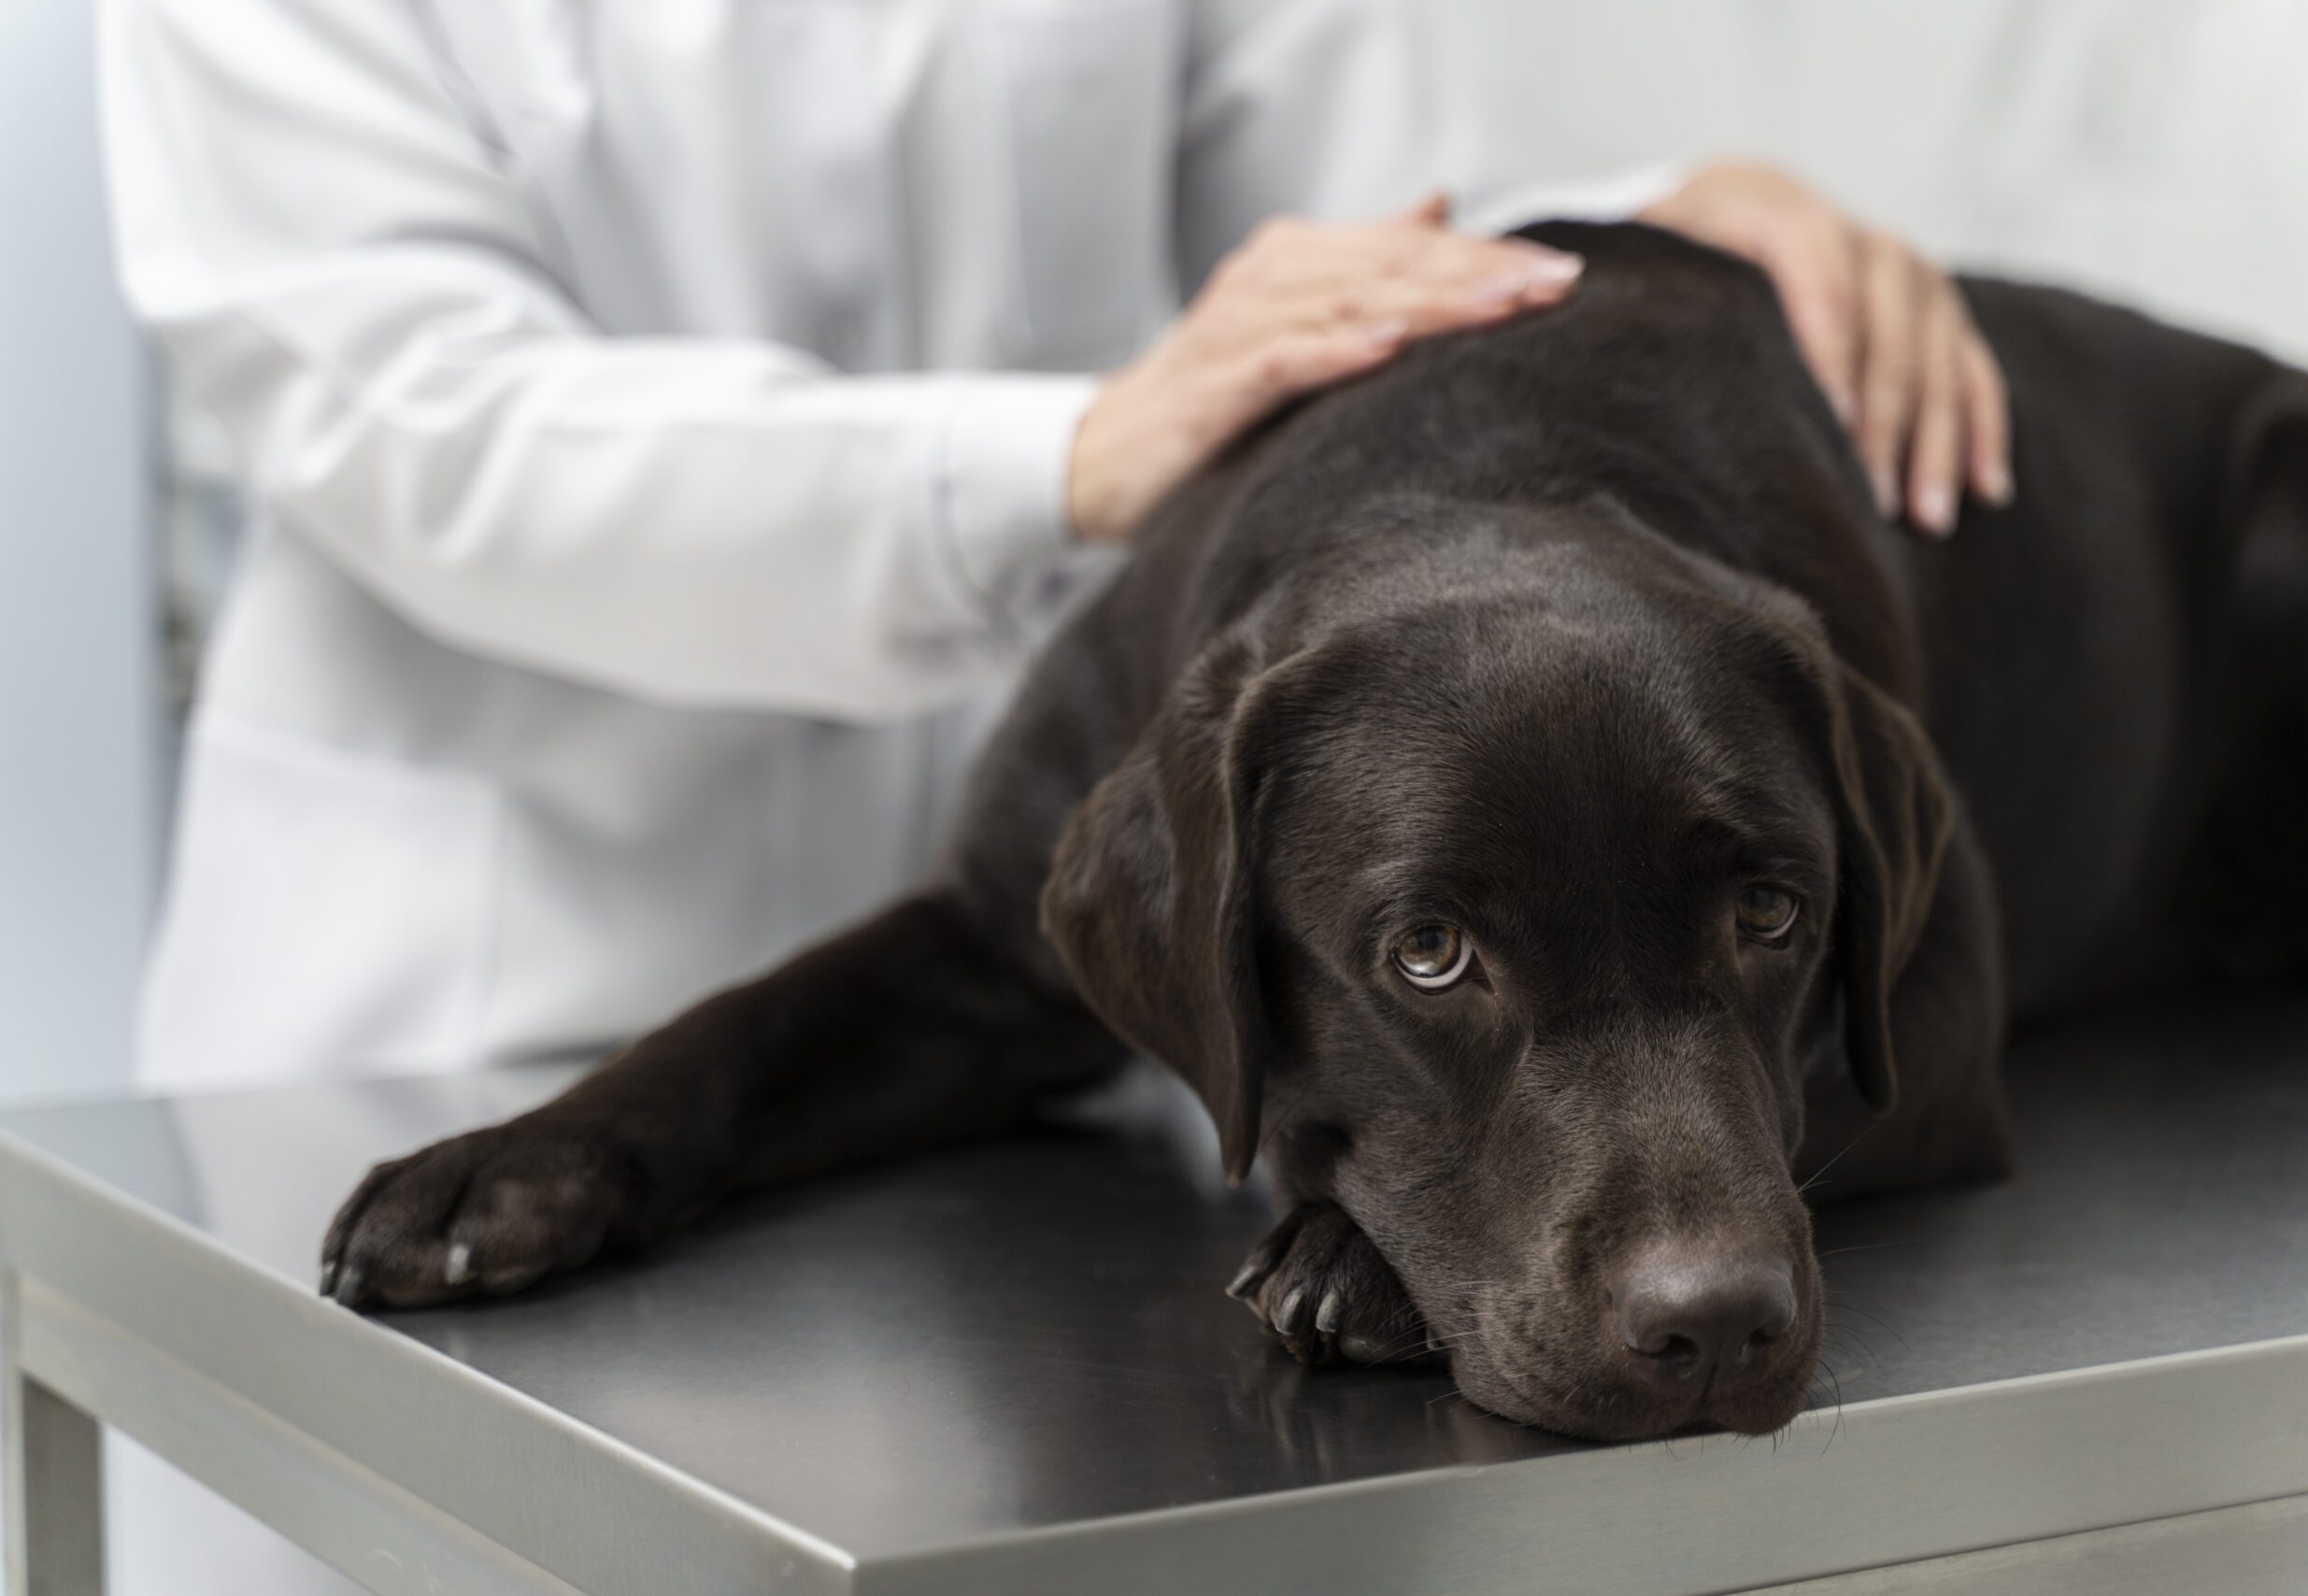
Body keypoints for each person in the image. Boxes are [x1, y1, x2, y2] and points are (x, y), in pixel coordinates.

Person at [97, 1, 2005, 1589]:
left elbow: (1386, 223)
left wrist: (1644, 222)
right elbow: (412, 413)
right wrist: (1059, 457)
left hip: (1047, 1042)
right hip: (461, 952)